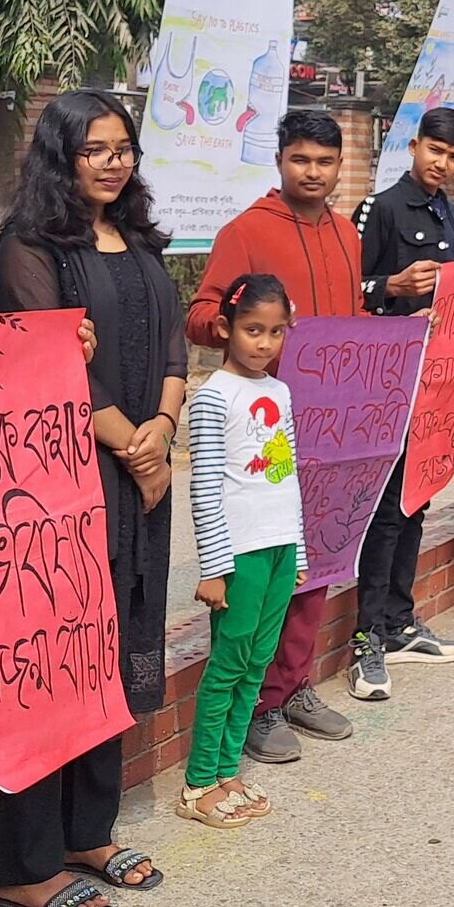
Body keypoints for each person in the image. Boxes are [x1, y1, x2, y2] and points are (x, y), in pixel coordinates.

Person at [0, 90, 185, 907]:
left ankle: (88, 833)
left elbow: (174, 345)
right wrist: (135, 448)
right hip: (65, 482)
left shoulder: (138, 239)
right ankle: (25, 862)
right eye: (94, 149)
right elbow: (47, 362)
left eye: (123, 148)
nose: (113, 163)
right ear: (60, 156)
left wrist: (162, 432)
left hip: (142, 473)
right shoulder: (29, 246)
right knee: (55, 659)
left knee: (113, 648)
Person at [188, 111, 363, 762]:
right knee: (259, 569)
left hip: (334, 428)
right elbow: (202, 315)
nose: (312, 172)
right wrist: (258, 328)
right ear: (280, 160)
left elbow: (352, 324)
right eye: (300, 159)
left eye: (324, 161)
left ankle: (292, 686)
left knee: (313, 565)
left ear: (339, 166)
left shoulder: (347, 233)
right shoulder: (246, 231)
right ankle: (256, 703)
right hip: (263, 433)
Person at [345, 108, 454, 702]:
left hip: (435, 381)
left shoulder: (447, 212)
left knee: (416, 501)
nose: (442, 164)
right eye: (435, 151)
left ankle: (399, 622)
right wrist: (392, 288)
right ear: (414, 146)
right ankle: (366, 638)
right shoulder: (380, 208)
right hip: (385, 383)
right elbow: (348, 290)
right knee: (385, 512)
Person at [177, 275, 303, 830]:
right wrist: (214, 568)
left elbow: (287, 475)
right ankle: (199, 780)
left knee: (256, 664)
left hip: (279, 551)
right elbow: (204, 486)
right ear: (226, 328)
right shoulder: (213, 396)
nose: (265, 343)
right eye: (253, 330)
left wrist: (298, 552)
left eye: (276, 332)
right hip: (240, 556)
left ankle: (228, 771)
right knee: (227, 666)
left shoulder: (280, 392)